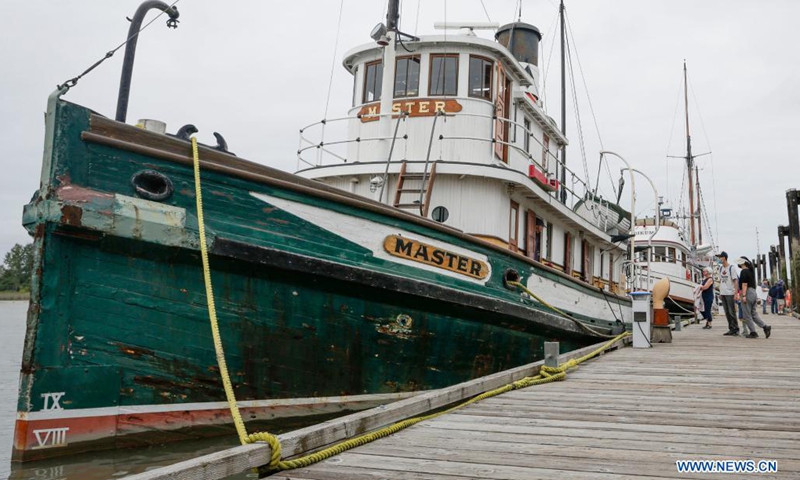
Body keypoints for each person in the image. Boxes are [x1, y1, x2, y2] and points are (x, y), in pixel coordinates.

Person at [737, 257, 771, 339]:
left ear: (743, 263)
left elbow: (744, 284)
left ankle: (753, 332)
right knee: (753, 313)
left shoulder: (744, 271)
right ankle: (765, 327)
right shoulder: (750, 271)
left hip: (747, 292)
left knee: (747, 314)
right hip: (753, 292)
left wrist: (744, 295)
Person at [715, 252, 739, 336]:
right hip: (723, 293)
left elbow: (735, 280)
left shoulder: (731, 268)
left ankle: (736, 328)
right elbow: (721, 281)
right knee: (727, 312)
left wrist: (736, 293)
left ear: (724, 258)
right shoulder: (721, 268)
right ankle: (731, 328)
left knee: (731, 311)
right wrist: (720, 292)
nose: (719, 259)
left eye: (720, 257)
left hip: (730, 292)